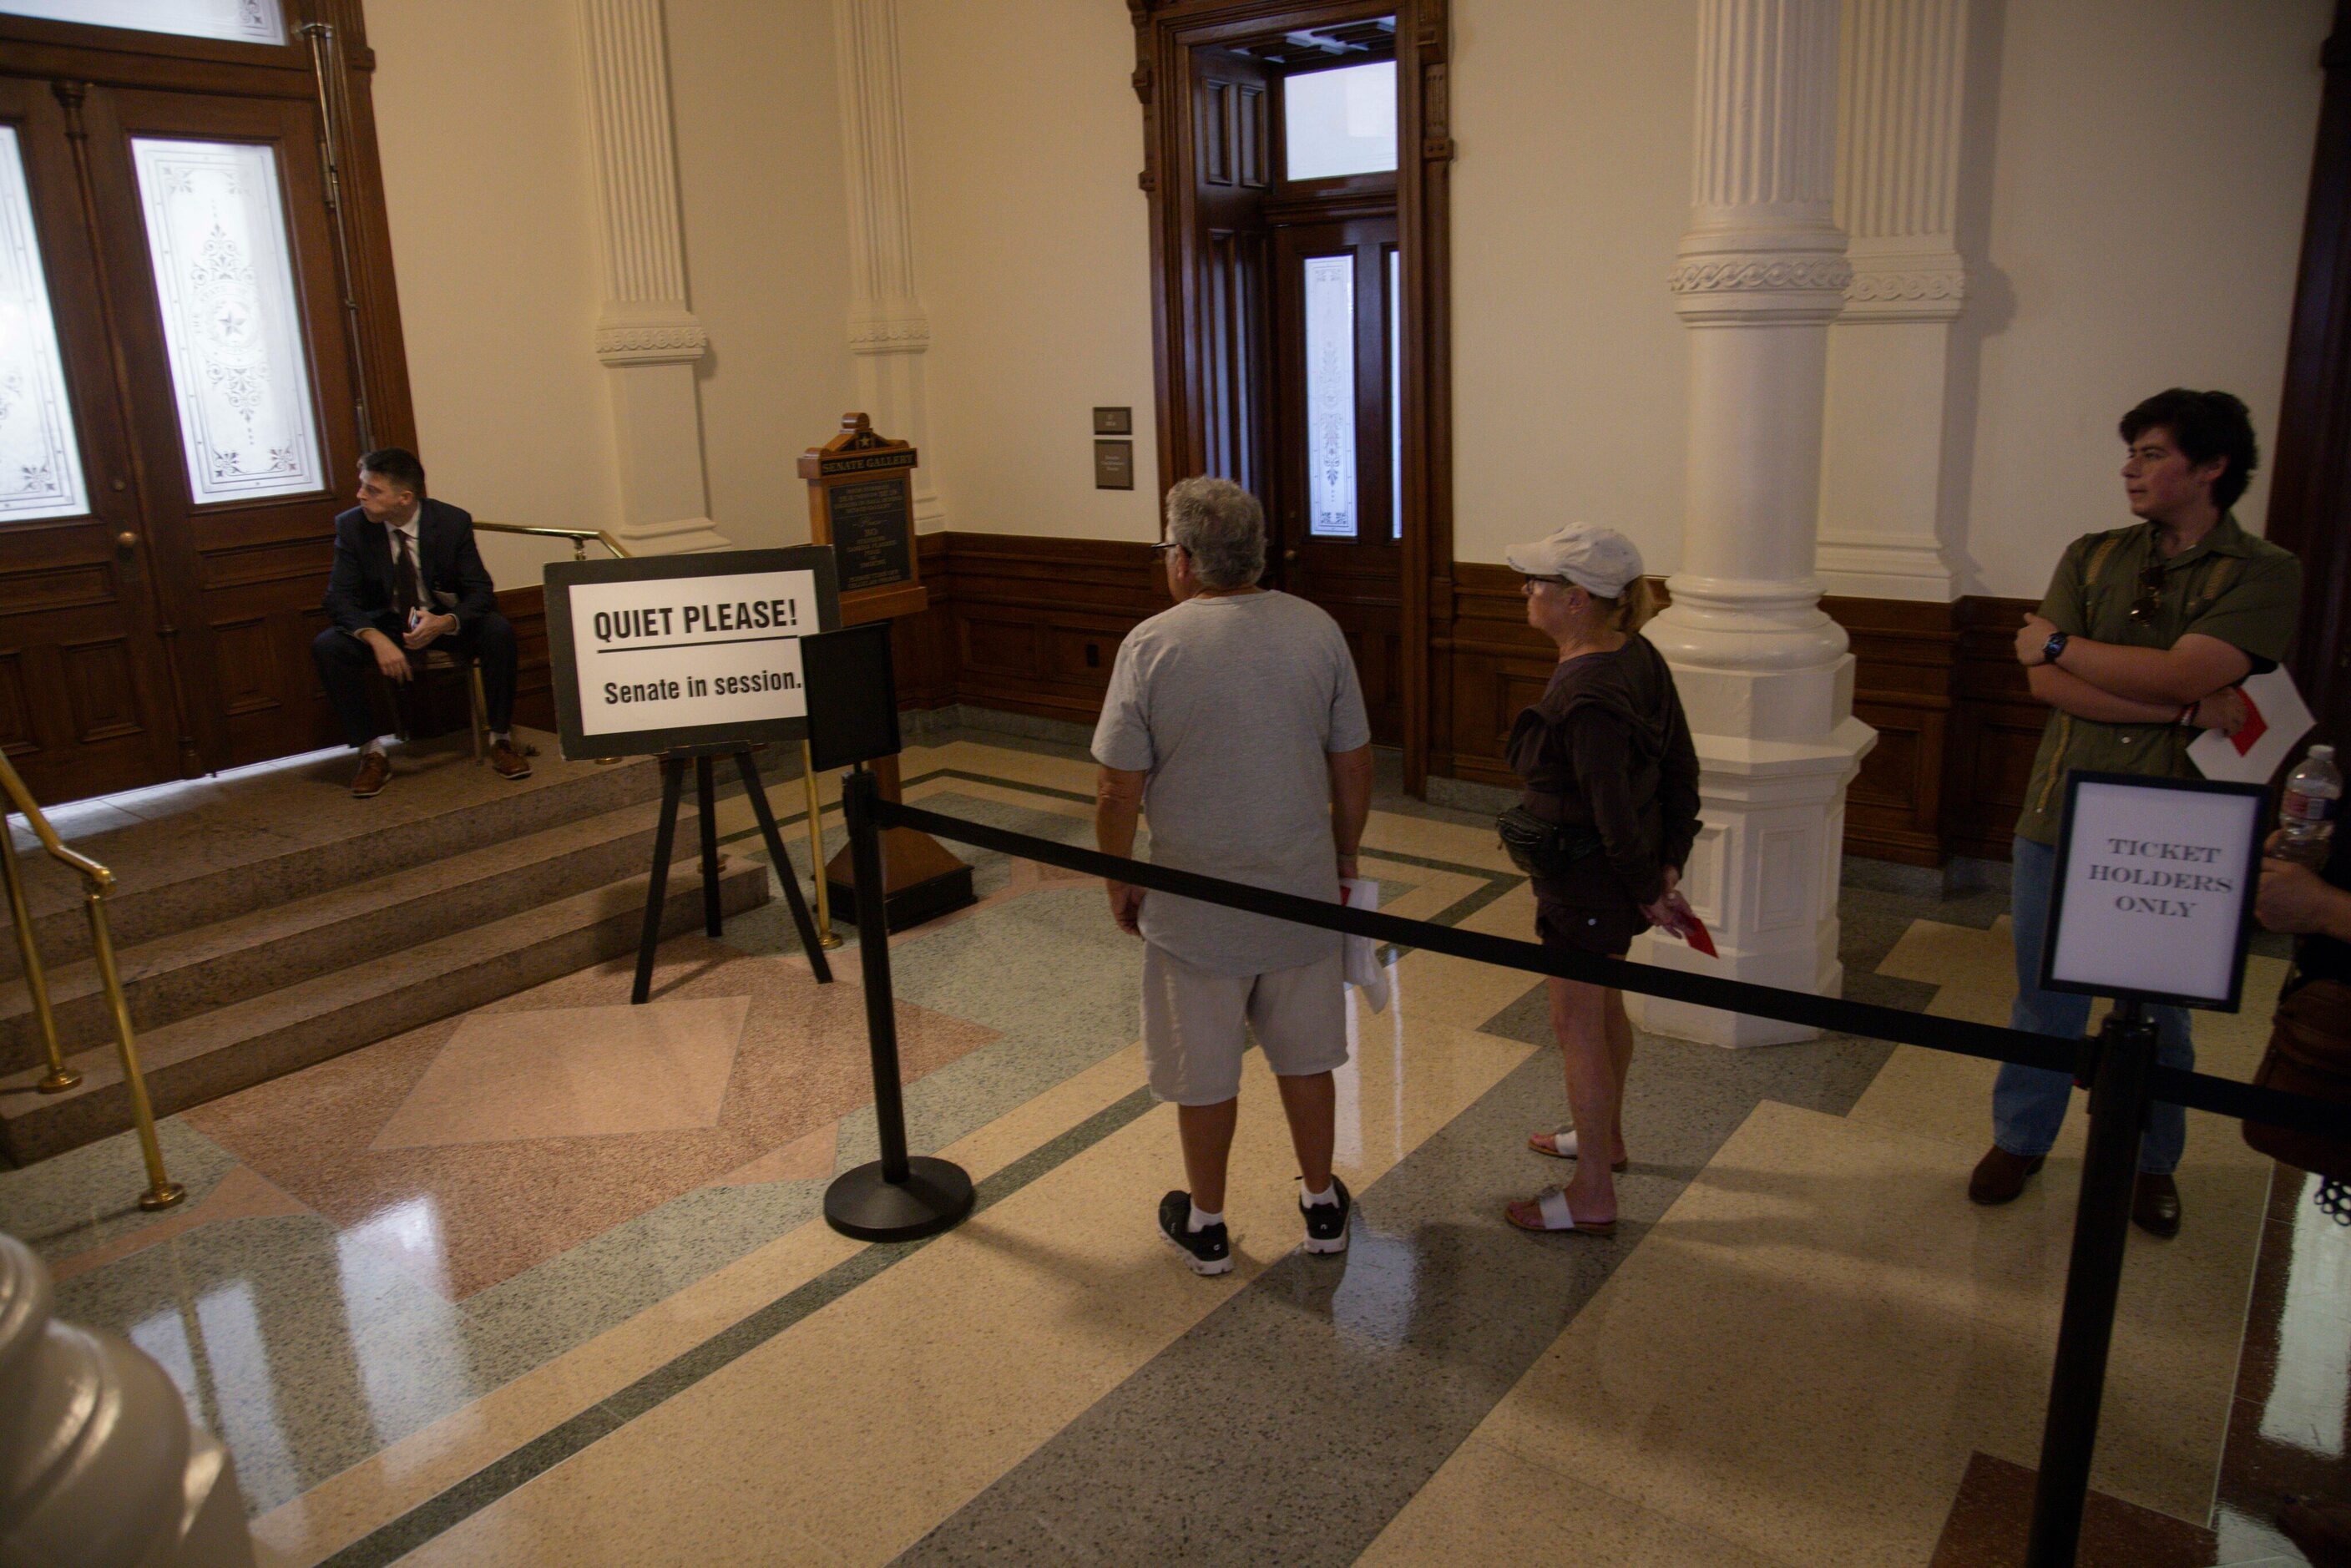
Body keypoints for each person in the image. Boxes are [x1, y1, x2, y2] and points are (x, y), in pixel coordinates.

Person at [1970, 389, 2302, 1236]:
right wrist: (2185, 710)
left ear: (2211, 466)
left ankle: (2150, 1159)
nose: (2130, 468)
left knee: (2160, 1008)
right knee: (2041, 997)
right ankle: (2021, 1138)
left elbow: (2182, 668)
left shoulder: (2263, 571)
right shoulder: (2089, 556)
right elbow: (2049, 686)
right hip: (2059, 811)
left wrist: (2058, 644)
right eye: (2131, 453)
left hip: (2180, 827)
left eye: (2151, 454)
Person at [1092, 476, 1375, 1277]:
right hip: (1299, 888)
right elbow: (1353, 764)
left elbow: (1118, 787)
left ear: (1183, 559)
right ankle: (1322, 1207)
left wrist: (1118, 876)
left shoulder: (1152, 644)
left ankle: (1208, 1223)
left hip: (1193, 900)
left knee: (1204, 1066)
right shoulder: (1316, 630)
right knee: (1306, 1056)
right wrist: (1344, 854)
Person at [1499, 523, 1700, 1238]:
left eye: (1540, 584)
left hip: (1588, 884)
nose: (1527, 592)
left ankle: (1590, 1195)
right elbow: (1682, 770)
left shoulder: (1585, 693)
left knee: (1576, 1024)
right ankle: (1604, 1139)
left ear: (1578, 599)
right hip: (1616, 878)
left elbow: (1612, 813)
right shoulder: (1637, 654)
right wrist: (1668, 859)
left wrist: (1650, 883)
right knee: (1605, 1006)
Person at [312, 448, 529, 797]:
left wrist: (445, 622)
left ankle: (501, 738)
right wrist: (374, 637)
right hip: (384, 625)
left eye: (372, 490)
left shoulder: (451, 522)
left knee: (497, 631)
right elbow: (337, 599)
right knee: (329, 647)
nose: (360, 495)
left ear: (404, 498)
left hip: (440, 622)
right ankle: (372, 752)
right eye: (362, 486)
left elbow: (481, 593)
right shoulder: (352, 527)